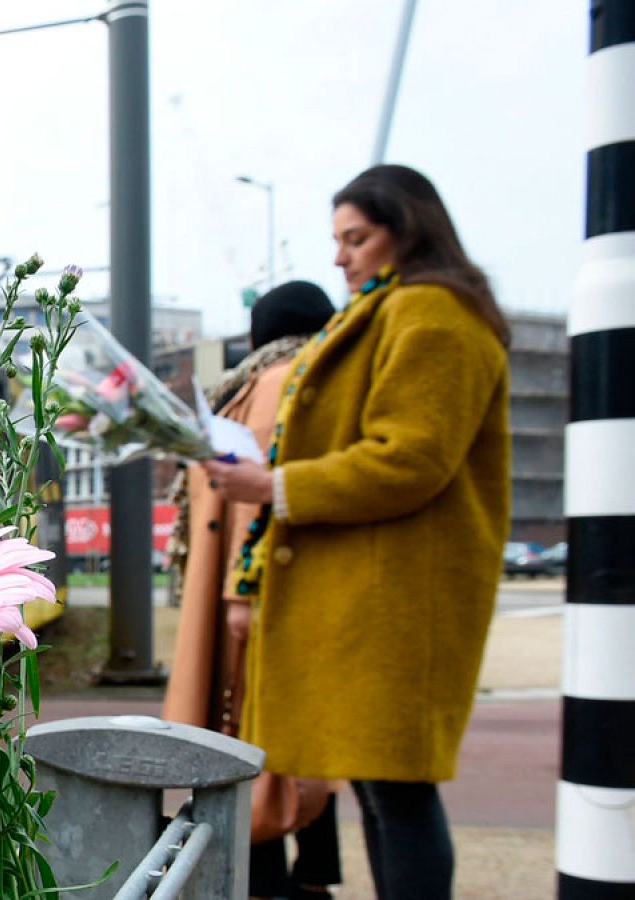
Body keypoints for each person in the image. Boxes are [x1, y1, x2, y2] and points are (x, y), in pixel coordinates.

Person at [205, 164, 511, 900]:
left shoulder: (431, 314)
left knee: (396, 794)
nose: (340, 256)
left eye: (357, 238)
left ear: (407, 231)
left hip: (398, 601)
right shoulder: (399, 311)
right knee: (385, 792)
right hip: (382, 593)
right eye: (338, 240)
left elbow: (411, 459)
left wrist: (274, 486)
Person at [163, 281, 341, 899]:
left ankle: (265, 876)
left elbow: (249, 502)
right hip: (271, 591)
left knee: (250, 740)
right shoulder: (301, 378)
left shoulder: (250, 385)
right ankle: (311, 874)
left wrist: (238, 595)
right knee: (291, 742)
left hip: (246, 593)